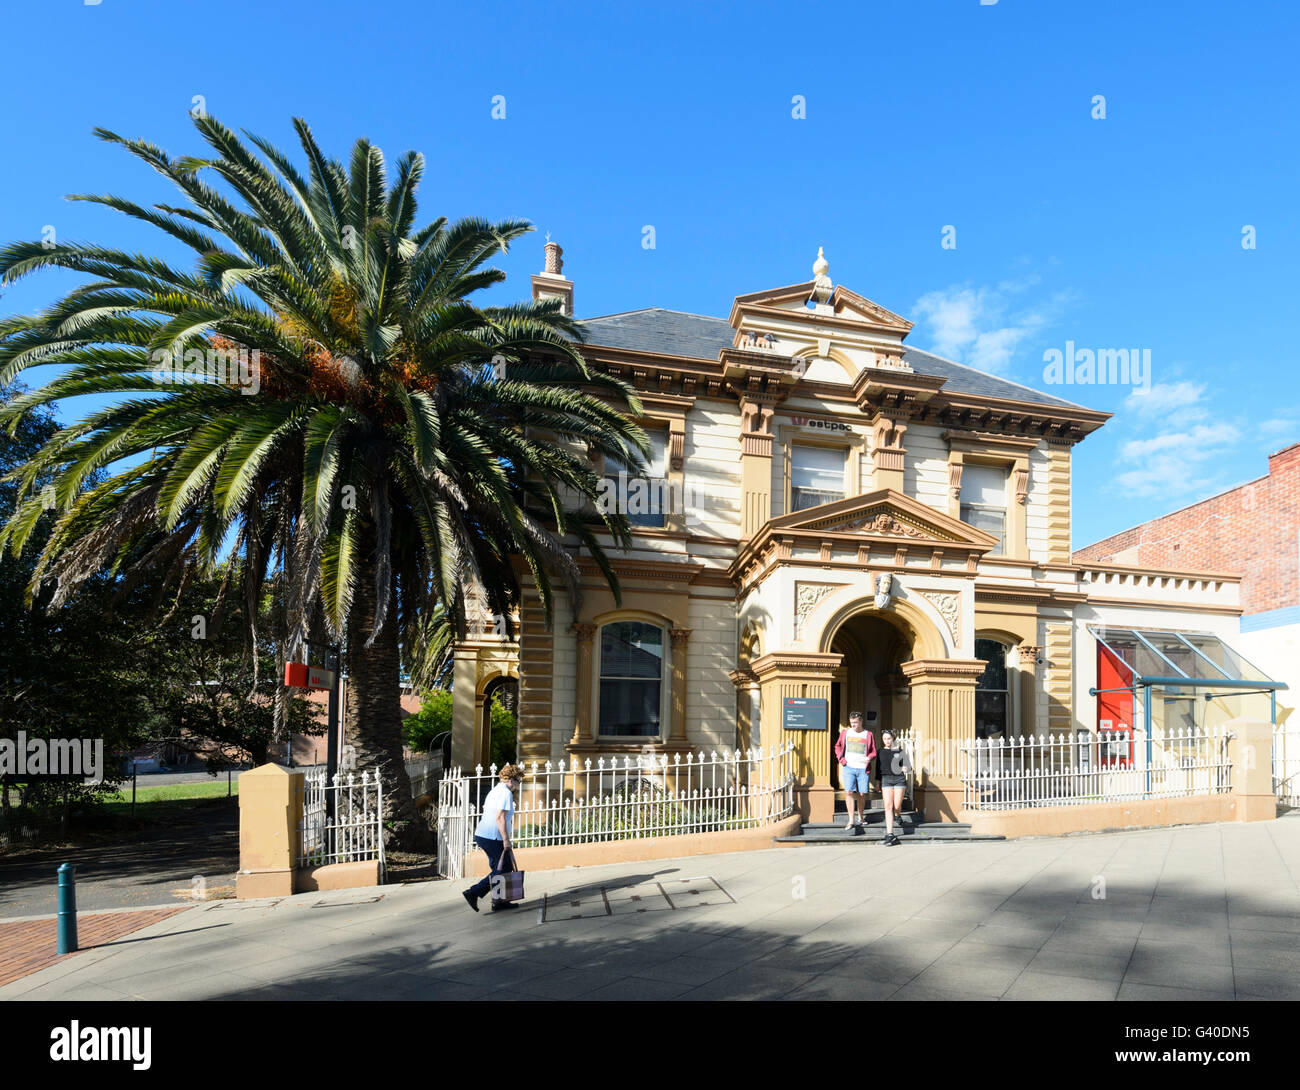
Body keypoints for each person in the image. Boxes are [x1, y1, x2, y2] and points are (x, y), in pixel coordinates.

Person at [463, 763, 523, 912]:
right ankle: (474, 892)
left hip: (483, 835)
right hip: (493, 837)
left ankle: (499, 902)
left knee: (498, 867)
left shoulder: (496, 790)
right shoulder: (505, 793)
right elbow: (500, 818)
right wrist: (506, 840)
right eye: (518, 781)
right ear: (511, 780)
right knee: (504, 868)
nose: (518, 785)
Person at [834, 711, 877, 834]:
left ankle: (861, 816)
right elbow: (837, 746)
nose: (853, 725)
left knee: (862, 794)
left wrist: (870, 757)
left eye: (855, 723)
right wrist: (841, 759)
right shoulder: (845, 733)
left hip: (863, 768)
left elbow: (873, 751)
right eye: (851, 723)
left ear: (861, 721)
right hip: (849, 767)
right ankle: (851, 819)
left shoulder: (868, 734)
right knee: (848, 792)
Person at [876, 729, 912, 846]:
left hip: (899, 780)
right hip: (886, 779)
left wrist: (905, 768)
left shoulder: (900, 751)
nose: (887, 741)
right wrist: (877, 782)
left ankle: (898, 815)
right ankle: (890, 834)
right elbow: (878, 769)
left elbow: (908, 766)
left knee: (896, 806)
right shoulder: (880, 752)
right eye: (885, 739)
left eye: (889, 738)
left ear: (893, 739)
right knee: (888, 806)